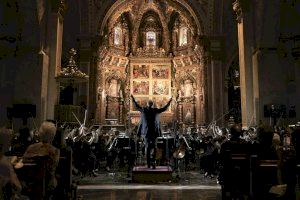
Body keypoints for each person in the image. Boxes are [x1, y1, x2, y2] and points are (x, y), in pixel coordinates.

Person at [21, 121, 60, 199]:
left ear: (40, 133)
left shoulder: (31, 148)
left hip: (31, 183)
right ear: (53, 135)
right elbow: (53, 167)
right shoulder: (55, 151)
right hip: (48, 184)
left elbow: (23, 161)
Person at [131, 94, 172, 169]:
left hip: (146, 132)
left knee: (147, 147)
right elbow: (163, 109)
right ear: (152, 104)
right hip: (154, 131)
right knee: (154, 147)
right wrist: (169, 102)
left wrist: (133, 99)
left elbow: (137, 106)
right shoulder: (155, 110)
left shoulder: (144, 109)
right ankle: (153, 163)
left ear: (147, 104)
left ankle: (149, 163)